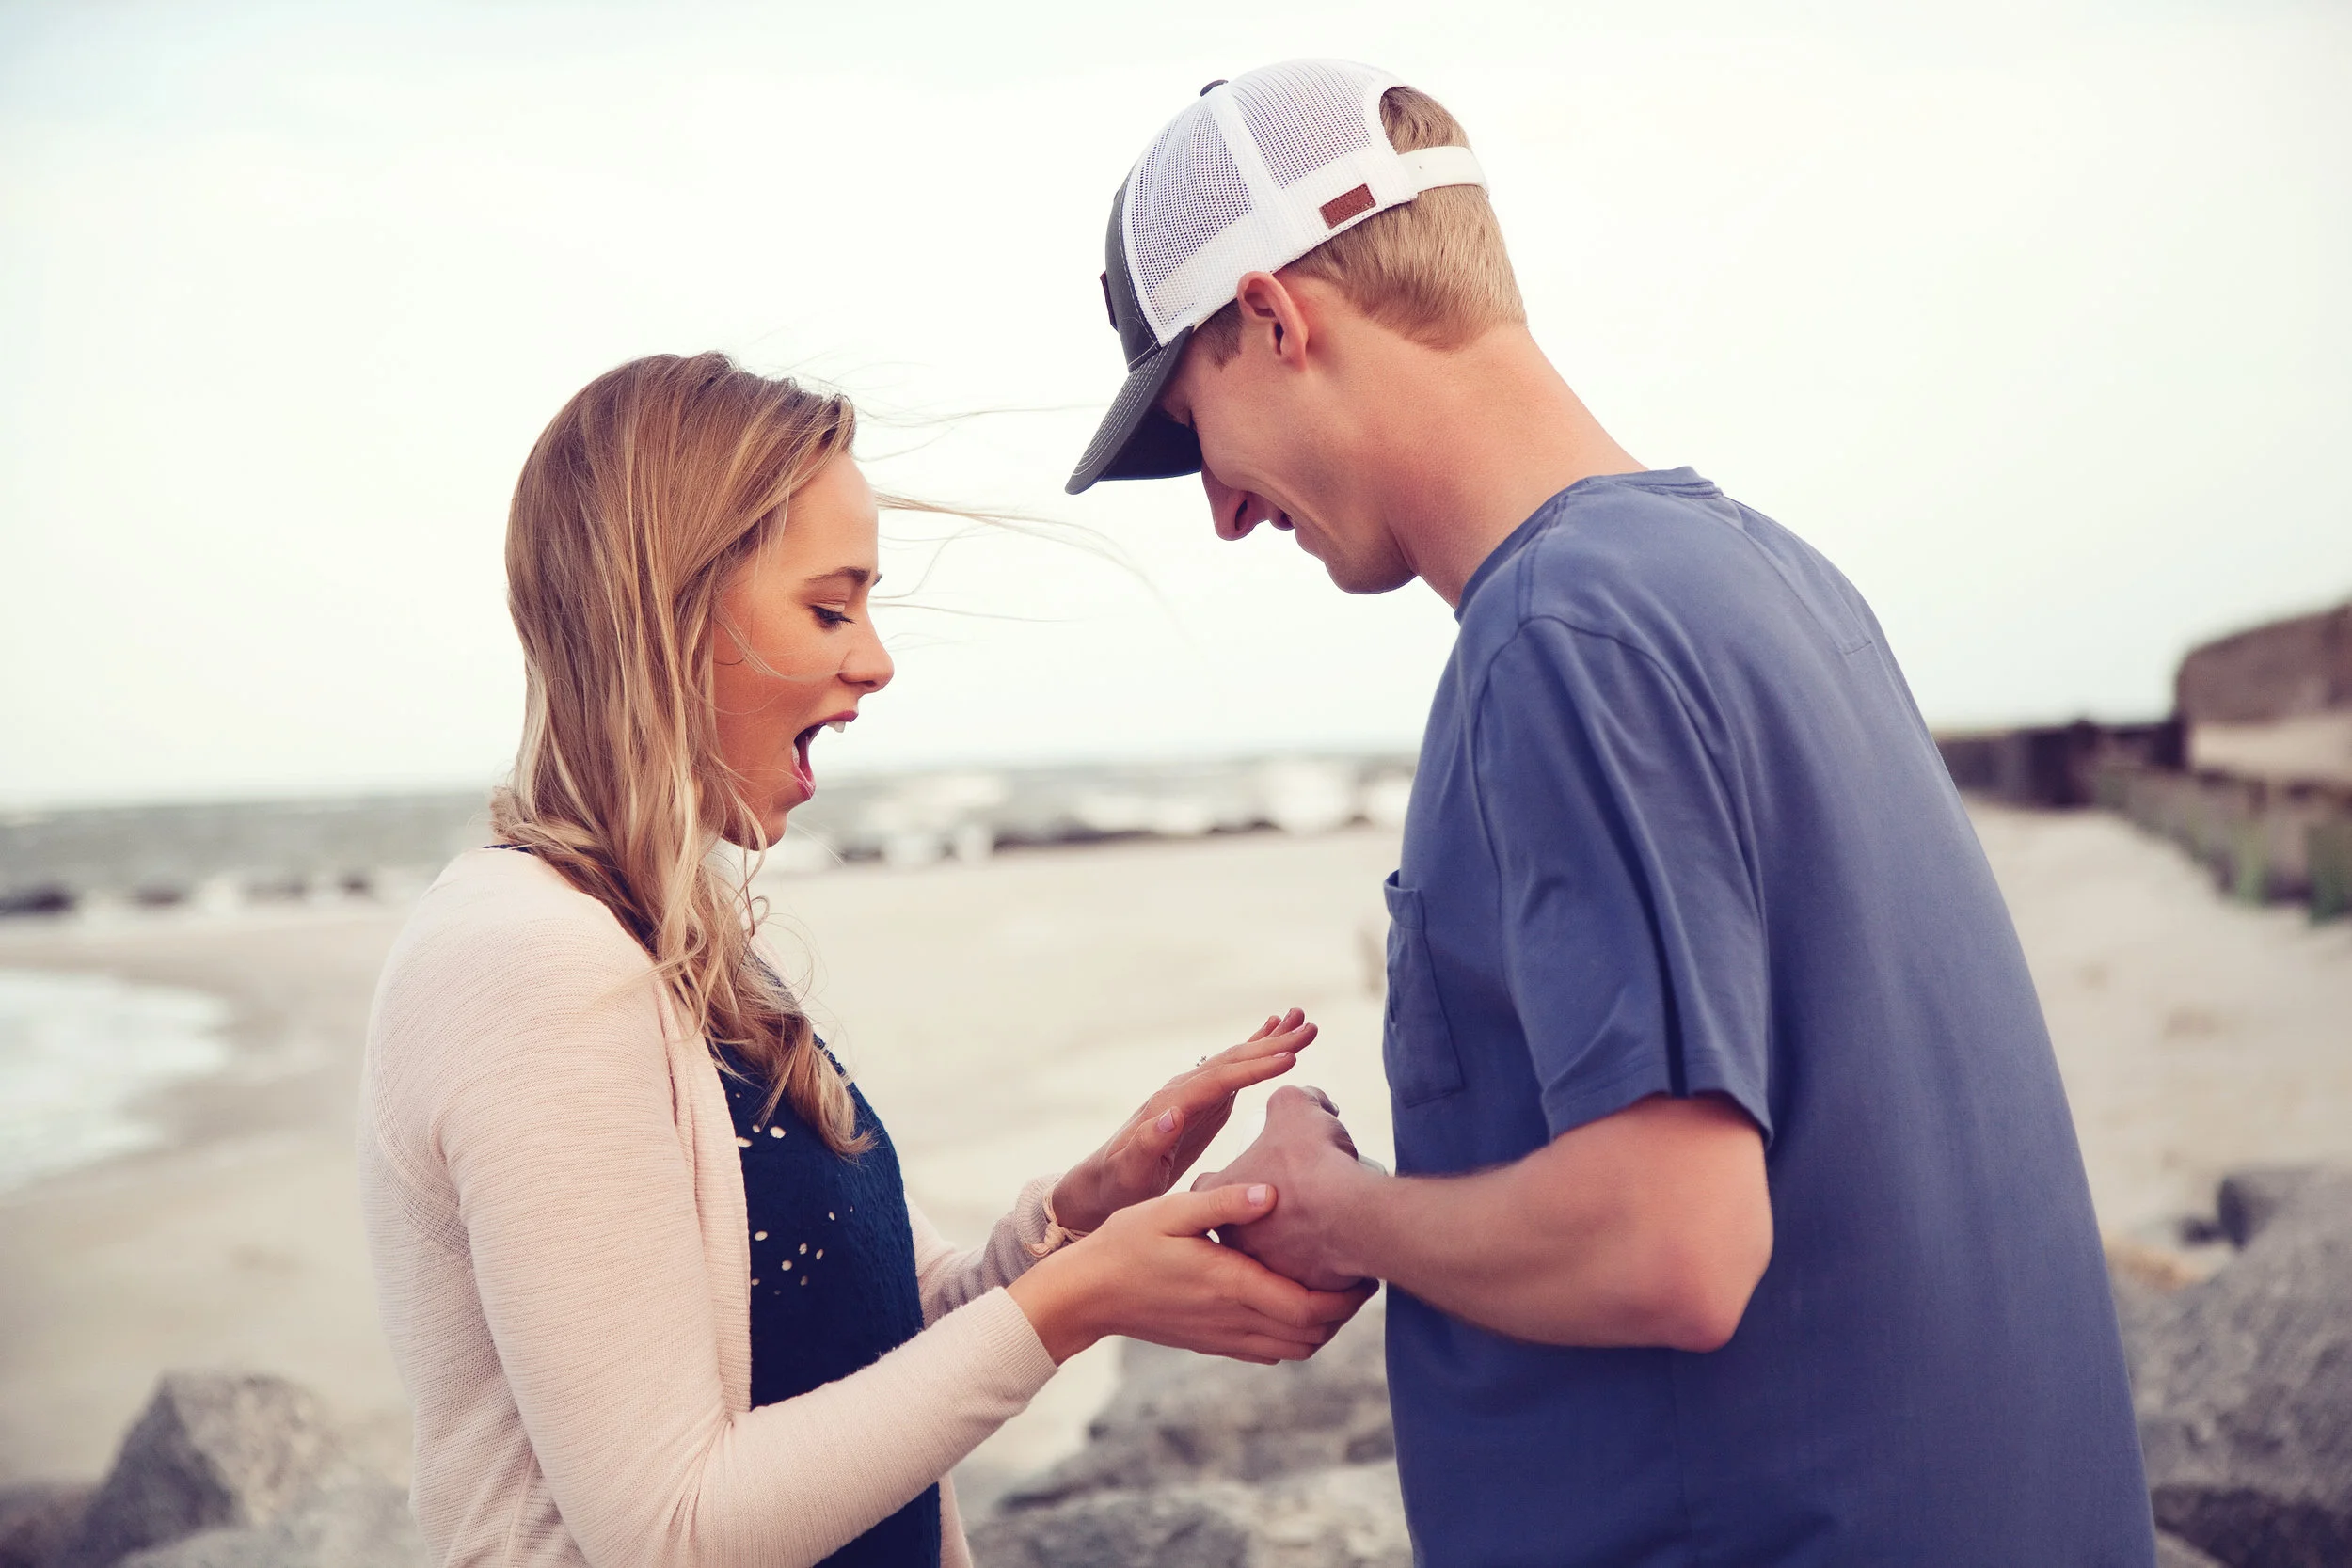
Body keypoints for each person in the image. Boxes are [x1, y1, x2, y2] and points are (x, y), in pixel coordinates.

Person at [1065, 60, 2156, 1567]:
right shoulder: (1770, 576)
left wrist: (1340, 1211)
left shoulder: (1555, 638)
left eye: (1195, 433)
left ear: (1273, 318)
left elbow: (1674, 1242)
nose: (1225, 511)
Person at [358, 352, 1369, 1568]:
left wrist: (1077, 1216)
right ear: (667, 609)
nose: (876, 660)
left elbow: (877, 1345)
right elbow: (673, 1527)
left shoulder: (674, 950)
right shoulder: (528, 963)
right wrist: (1075, 1303)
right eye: (831, 607)